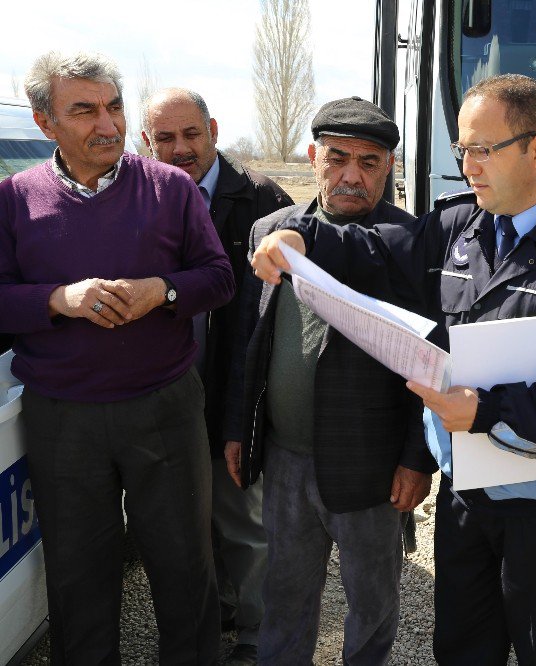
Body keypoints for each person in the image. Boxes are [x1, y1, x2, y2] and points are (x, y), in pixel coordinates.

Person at [249, 75, 536, 665]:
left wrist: (488, 411)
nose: (468, 167)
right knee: (461, 645)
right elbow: (379, 251)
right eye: (463, 150)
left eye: (483, 150)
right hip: (468, 493)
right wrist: (298, 236)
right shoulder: (459, 225)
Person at [0, 51, 234, 663]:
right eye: (84, 111)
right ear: (46, 123)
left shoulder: (171, 189)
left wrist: (164, 291)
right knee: (79, 577)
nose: (108, 125)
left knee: (185, 567)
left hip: (164, 407)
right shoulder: (13, 200)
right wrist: (59, 299)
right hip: (61, 418)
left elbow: (219, 278)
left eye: (114, 107)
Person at [224, 97, 436, 665]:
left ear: (389, 168)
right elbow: (249, 343)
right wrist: (238, 429)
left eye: (369, 163)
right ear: (313, 157)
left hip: (372, 468)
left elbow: (428, 361)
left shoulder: (410, 243)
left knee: (373, 602)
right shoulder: (270, 231)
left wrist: (418, 459)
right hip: (287, 460)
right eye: (338, 157)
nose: (351, 175)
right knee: (286, 596)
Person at [142, 87, 291, 665]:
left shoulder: (259, 200)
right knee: (188, 524)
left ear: (213, 130)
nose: (180, 150)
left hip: (234, 392)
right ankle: (221, 608)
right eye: (165, 139)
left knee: (243, 519)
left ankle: (257, 633)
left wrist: (253, 405)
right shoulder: (138, 200)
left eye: (191, 135)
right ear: (147, 144)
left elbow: (276, 316)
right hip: (166, 396)